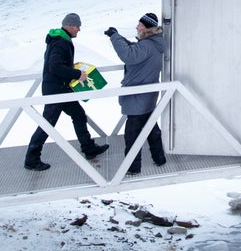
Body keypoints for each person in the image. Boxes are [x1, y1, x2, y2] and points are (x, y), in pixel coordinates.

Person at [24, 13, 109, 171]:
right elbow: (54, 66)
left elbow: (57, 63)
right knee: (47, 124)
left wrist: (70, 66)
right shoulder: (61, 42)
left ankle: (89, 148)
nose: (79, 29)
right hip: (56, 91)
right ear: (69, 26)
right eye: (77, 26)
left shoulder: (58, 39)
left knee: (78, 115)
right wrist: (77, 74)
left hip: (61, 88)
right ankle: (31, 159)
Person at [104, 13, 167, 174]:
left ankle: (132, 168)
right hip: (146, 96)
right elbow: (134, 48)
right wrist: (119, 37)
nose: (137, 27)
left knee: (132, 134)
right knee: (151, 128)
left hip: (137, 96)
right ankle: (159, 158)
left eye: (140, 25)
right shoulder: (152, 44)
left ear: (146, 28)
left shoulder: (146, 46)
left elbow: (129, 55)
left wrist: (115, 37)